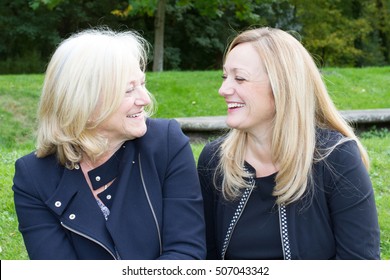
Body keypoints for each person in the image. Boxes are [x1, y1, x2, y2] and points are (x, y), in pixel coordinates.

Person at [12, 28, 206, 260]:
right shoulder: (34, 177)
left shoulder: (165, 143)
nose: (145, 99)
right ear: (84, 103)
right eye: (128, 90)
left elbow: (186, 251)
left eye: (142, 84)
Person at [197, 27, 380, 260]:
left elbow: (359, 265)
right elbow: (206, 259)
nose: (223, 90)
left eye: (240, 78)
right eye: (225, 77)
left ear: (282, 86)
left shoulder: (336, 158)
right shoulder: (215, 161)